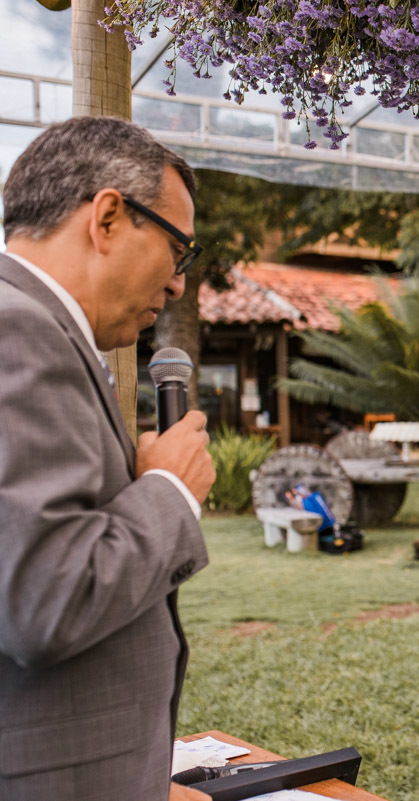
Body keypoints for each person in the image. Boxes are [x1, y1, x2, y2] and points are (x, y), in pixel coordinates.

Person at [0, 117, 215, 801]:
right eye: (178, 250)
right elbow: (44, 598)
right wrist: (168, 489)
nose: (179, 284)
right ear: (110, 217)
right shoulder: (21, 329)